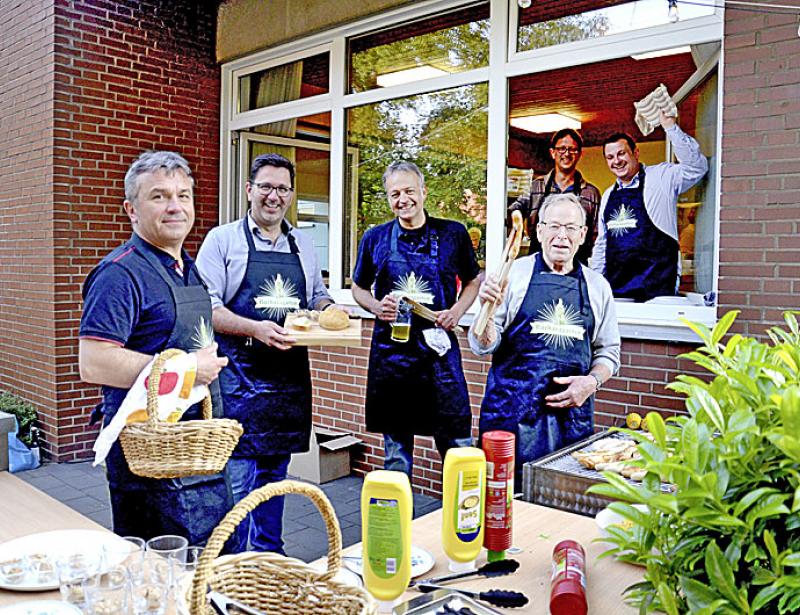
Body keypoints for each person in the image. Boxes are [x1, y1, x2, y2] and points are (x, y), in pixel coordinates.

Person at [79, 151, 230, 544]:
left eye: (183, 195)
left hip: (198, 445)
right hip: (150, 458)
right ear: (131, 209)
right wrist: (186, 370)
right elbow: (94, 362)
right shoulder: (119, 273)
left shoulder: (186, 266)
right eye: (159, 196)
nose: (175, 206)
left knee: (212, 564)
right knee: (163, 573)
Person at [195, 153, 336, 554]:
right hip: (238, 379)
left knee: (276, 478)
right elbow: (206, 306)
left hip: (286, 384)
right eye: (266, 187)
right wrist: (254, 328)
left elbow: (316, 297)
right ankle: (232, 564)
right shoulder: (222, 240)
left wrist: (330, 312)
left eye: (282, 189)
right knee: (237, 481)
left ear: (291, 194)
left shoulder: (302, 244)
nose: (273, 197)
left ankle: (269, 557)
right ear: (250, 190)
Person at [470, 193, 620, 488]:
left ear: (582, 236)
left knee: (561, 505)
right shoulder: (510, 275)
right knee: (502, 505)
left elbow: (609, 352)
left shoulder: (598, 287)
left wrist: (591, 383)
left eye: (570, 228)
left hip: (570, 421)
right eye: (553, 226)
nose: (561, 236)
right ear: (538, 231)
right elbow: (482, 345)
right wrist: (486, 312)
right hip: (511, 417)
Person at [351, 161, 481, 479]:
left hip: (439, 358)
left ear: (423, 191)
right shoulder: (375, 238)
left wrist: (458, 311)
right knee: (396, 457)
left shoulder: (453, 234)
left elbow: (475, 280)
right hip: (392, 359)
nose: (403, 199)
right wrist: (375, 306)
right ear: (387, 198)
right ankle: (400, 527)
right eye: (395, 193)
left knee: (459, 449)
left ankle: (464, 526)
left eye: (409, 190)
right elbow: (357, 287)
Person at [591, 111, 708, 302]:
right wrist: (596, 284)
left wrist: (670, 127)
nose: (616, 161)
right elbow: (603, 244)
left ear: (635, 153)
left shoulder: (662, 177)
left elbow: (696, 167)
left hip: (658, 286)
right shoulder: (607, 196)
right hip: (617, 290)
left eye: (621, 153)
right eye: (610, 157)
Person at [509, 128, 600, 265]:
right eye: (561, 149)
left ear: (580, 154)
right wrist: (517, 217)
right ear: (553, 153)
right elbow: (514, 209)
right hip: (538, 266)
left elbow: (597, 238)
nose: (567, 154)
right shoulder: (536, 187)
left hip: (576, 268)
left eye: (572, 149)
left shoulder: (591, 193)